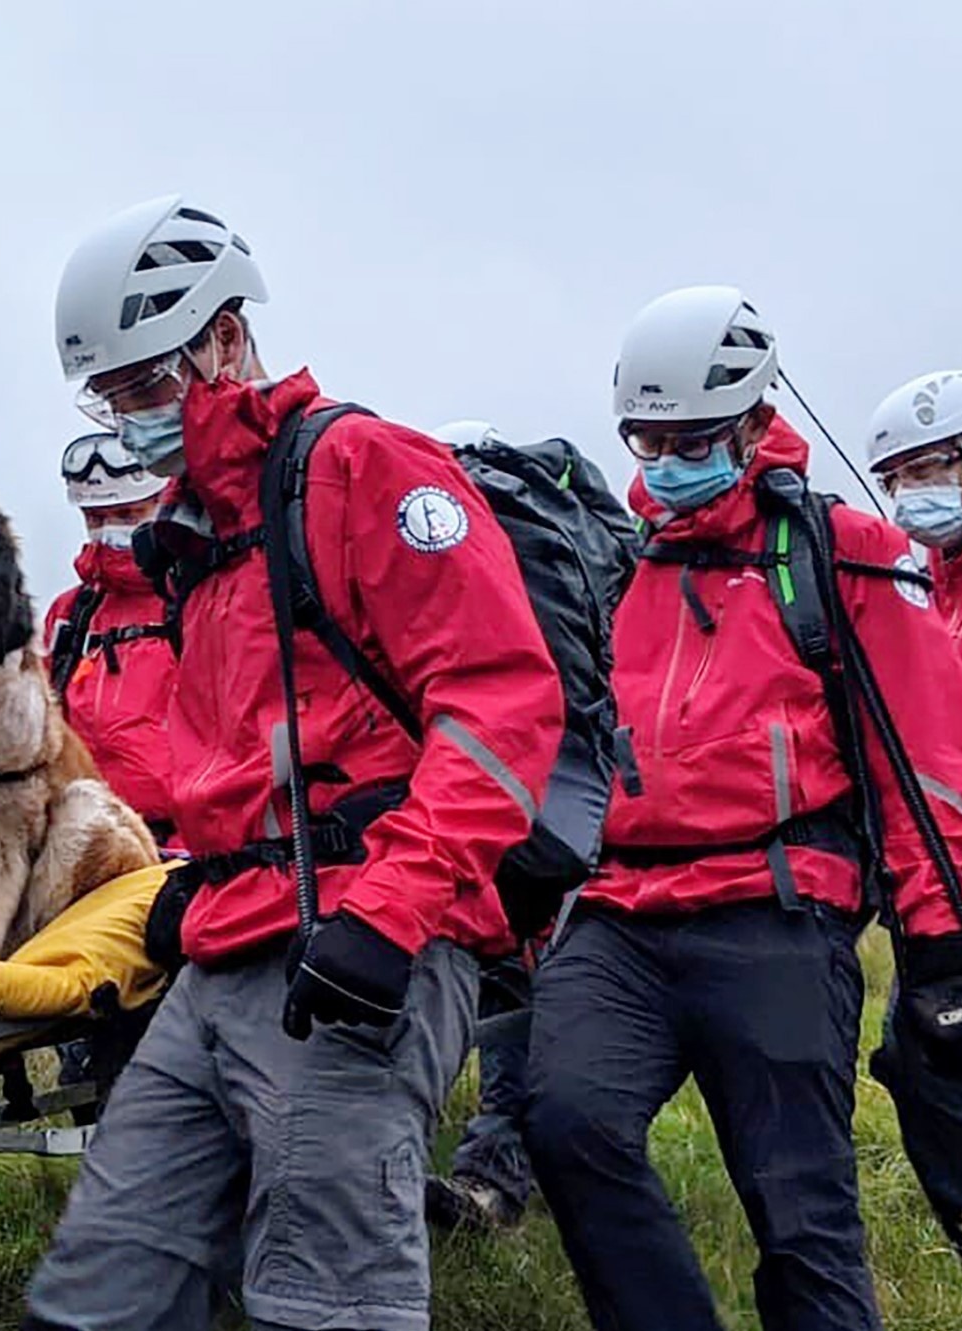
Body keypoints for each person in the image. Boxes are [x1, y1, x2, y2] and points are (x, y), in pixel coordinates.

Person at [25, 195, 564, 1331]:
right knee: (104, 1279)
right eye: (107, 397)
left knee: (326, 1296)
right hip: (227, 943)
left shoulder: (362, 471)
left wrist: (391, 911)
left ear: (223, 337)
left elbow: (500, 704)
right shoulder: (203, 533)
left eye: (143, 386)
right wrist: (194, 877)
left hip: (352, 947)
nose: (128, 419)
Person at [523, 289, 962, 1331]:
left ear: (748, 419)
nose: (663, 457)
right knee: (563, 1119)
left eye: (688, 438)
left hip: (777, 911)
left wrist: (938, 946)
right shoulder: (617, 570)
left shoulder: (842, 553)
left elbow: (928, 758)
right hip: (620, 917)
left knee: (800, 1214)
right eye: (645, 438)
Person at [865, 368, 962, 1293]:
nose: (905, 496)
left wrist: (950, 752)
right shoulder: (912, 583)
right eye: (894, 479)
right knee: (919, 1058)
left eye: (922, 469)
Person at [418, 419, 534, 1234]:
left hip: (487, 839)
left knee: (508, 1019)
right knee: (500, 1008)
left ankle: (490, 1184)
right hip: (477, 842)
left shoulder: (468, 579)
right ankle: (465, 1175)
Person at [44, 431, 177, 843]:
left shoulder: (203, 598)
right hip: (88, 839)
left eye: (127, 513)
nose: (109, 531)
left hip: (188, 846)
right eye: (96, 518)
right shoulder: (71, 615)